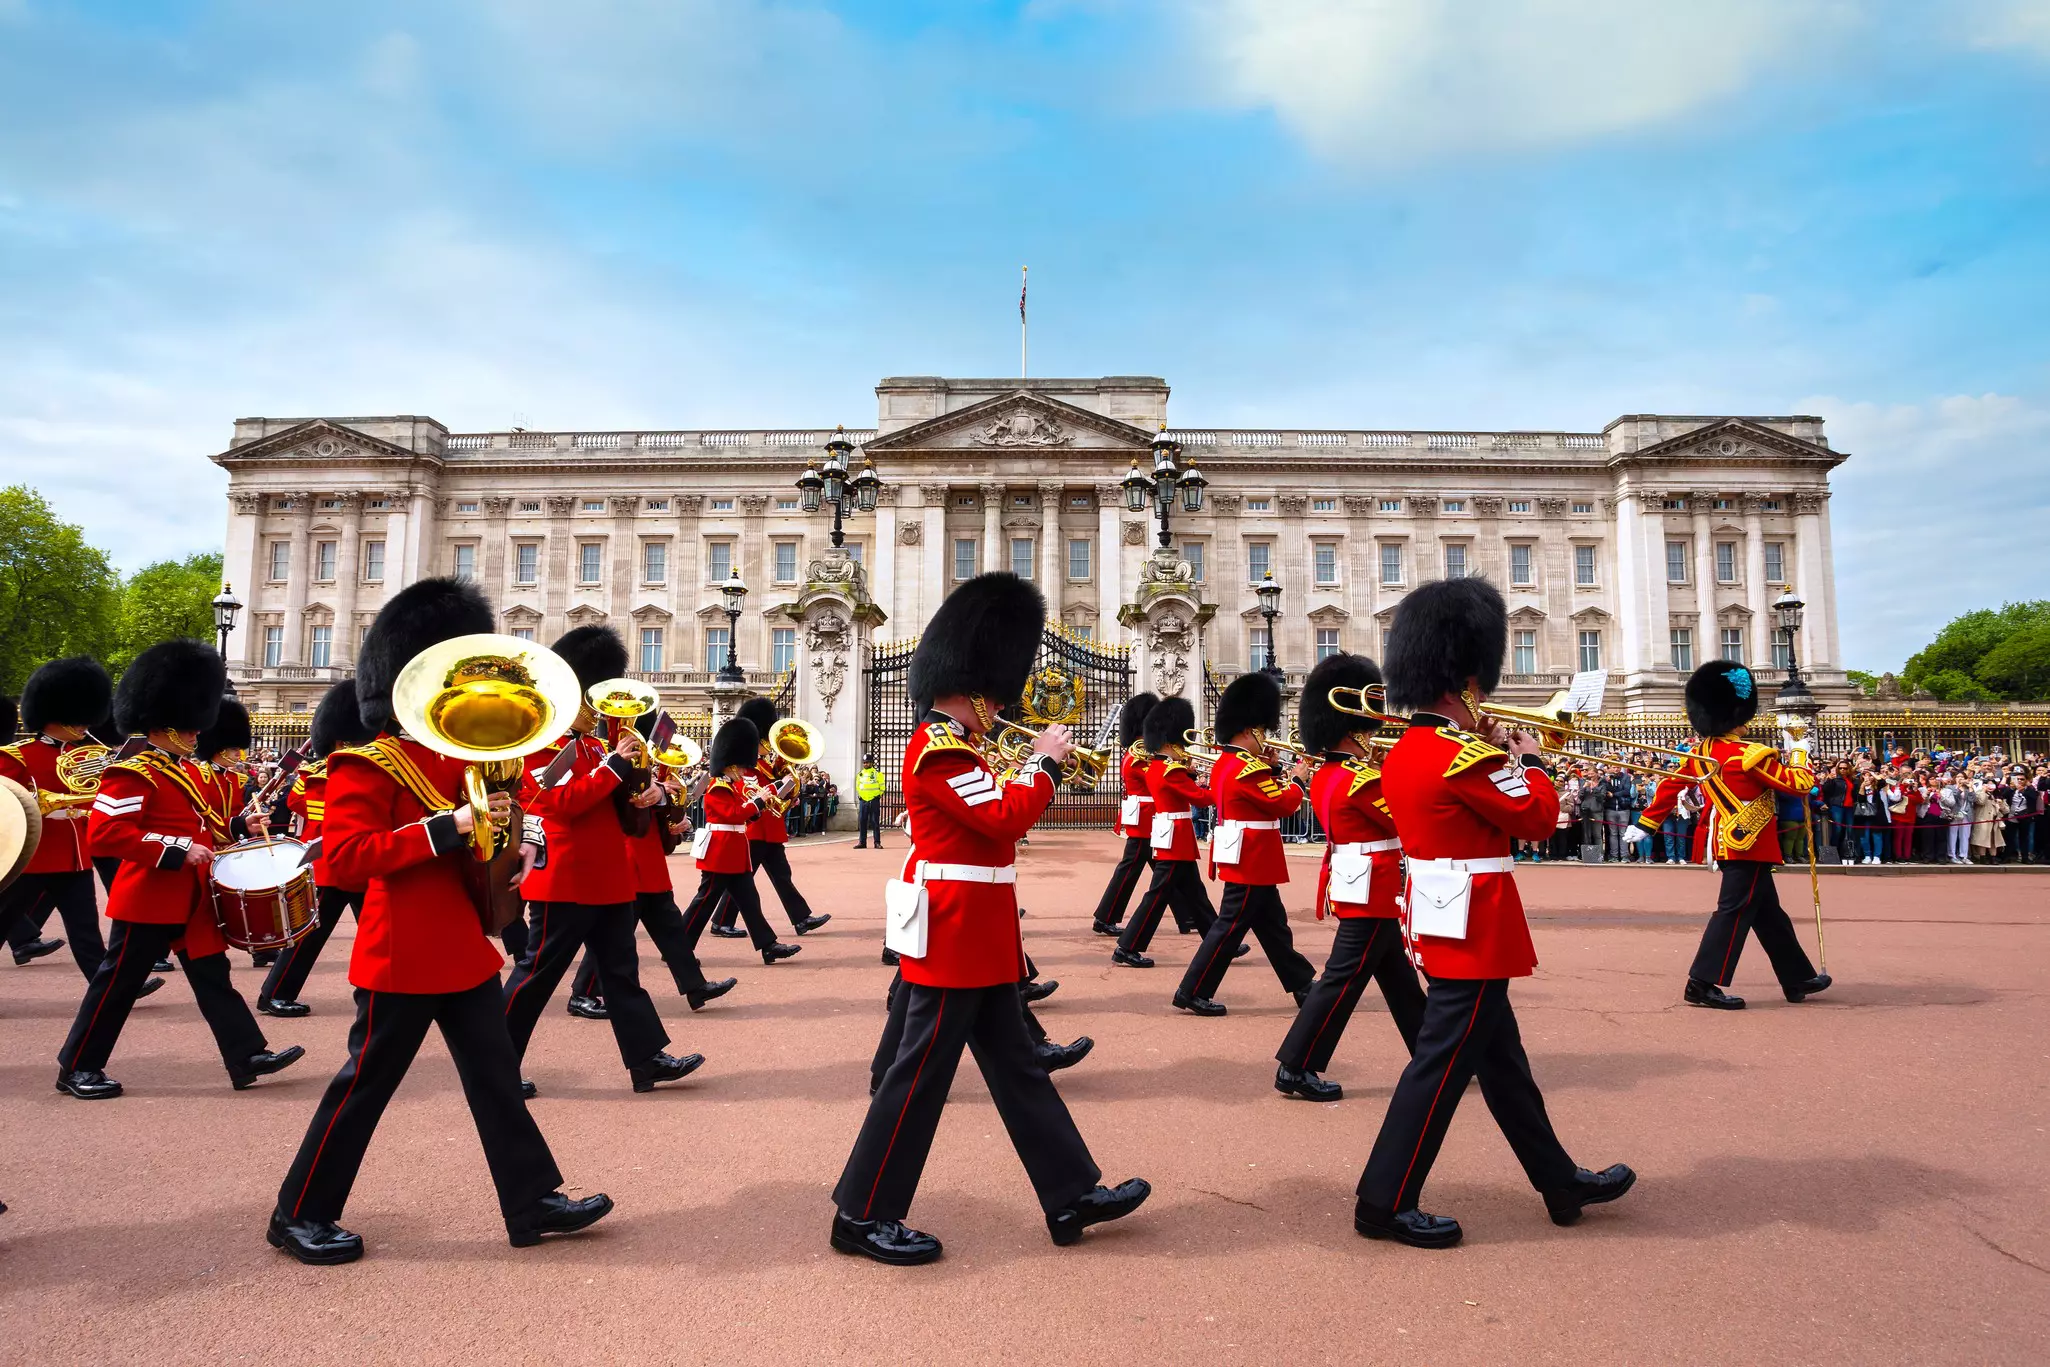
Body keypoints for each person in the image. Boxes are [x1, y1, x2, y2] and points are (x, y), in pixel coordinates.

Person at [268, 577, 613, 1264]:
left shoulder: (461, 758)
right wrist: (442, 829)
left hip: (460, 948)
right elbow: (343, 860)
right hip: (400, 955)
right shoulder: (365, 764)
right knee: (363, 1088)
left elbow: (479, 835)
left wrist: (508, 854)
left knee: (495, 1080)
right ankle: (298, 1212)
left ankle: (530, 1201)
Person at [831, 572, 1148, 1266]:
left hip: (978, 935)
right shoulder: (940, 749)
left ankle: (1070, 1192)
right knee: (917, 1079)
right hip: (954, 936)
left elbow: (992, 828)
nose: (1004, 705)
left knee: (1019, 1071)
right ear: (973, 686)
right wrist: (1043, 765)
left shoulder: (962, 748)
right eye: (998, 692)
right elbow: (1004, 819)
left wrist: (1030, 766)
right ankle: (862, 1213)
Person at [1352, 577, 1632, 1249]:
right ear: (1467, 681)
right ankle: (1382, 1199)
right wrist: (1532, 758)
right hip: (1475, 926)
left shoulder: (1408, 751)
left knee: (1503, 1064)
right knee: (1440, 1067)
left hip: (1446, 918)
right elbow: (1537, 818)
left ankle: (1559, 1180)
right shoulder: (1460, 754)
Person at [55, 639, 304, 1100]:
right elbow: (106, 836)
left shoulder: (186, 772)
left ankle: (246, 1054)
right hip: (150, 896)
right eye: (189, 728)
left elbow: (202, 827)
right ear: (163, 725)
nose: (196, 735)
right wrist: (175, 851)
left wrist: (237, 824)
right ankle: (78, 1066)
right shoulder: (131, 772)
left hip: (191, 898)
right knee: (117, 985)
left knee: (214, 977)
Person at [502, 625, 703, 1095]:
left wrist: (648, 794)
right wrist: (613, 767)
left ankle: (645, 1059)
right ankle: (496, 1062)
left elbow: (618, 801)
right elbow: (560, 804)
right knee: (535, 975)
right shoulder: (537, 746)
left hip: (610, 876)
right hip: (566, 878)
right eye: (584, 699)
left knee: (621, 972)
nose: (592, 709)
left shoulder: (594, 746)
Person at [1631, 661, 1831, 1010]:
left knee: (1769, 914)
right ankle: (1701, 983)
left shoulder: (1703, 752)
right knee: (1734, 912)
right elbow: (1800, 784)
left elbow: (1670, 786)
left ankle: (1796, 975)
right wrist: (1799, 750)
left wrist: (1647, 823)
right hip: (1749, 845)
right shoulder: (1751, 755)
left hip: (1729, 841)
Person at [1272, 653, 1423, 1103]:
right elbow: (1406, 821)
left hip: (1362, 881)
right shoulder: (1360, 778)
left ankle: (1436, 1049)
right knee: (1341, 979)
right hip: (1372, 886)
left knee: (1398, 980)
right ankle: (1296, 1065)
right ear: (1356, 725)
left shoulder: (1330, 774)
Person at [564, 708, 739, 1018]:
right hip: (627, 857)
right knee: (612, 934)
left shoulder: (643, 764)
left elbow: (645, 804)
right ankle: (583, 993)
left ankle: (694, 986)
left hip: (648, 861)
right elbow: (625, 800)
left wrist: (673, 813)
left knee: (671, 928)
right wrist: (657, 794)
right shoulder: (608, 756)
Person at [0, 657, 158, 991]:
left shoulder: (83, 754)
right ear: (55, 715)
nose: (86, 725)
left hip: (74, 853)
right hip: (32, 854)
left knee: (86, 928)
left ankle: (110, 984)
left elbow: (93, 797)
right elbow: (7, 804)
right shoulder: (16, 755)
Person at [1170, 671, 1316, 1017]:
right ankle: (1192, 990)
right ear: (1250, 729)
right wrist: (1297, 781)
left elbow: (1261, 797)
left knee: (1274, 925)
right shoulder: (1247, 768)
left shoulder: (1230, 763)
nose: (1266, 739)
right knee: (1229, 927)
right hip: (1252, 855)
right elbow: (1283, 804)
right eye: (1263, 732)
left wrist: (1275, 771)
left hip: (1250, 855)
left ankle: (1302, 984)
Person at [256, 679, 375, 1015]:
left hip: (360, 862)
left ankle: (383, 990)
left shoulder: (320, 772)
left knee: (381, 930)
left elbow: (296, 803)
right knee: (308, 936)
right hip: (331, 864)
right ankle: (274, 993)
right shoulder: (325, 773)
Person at [1112, 696, 1225, 967]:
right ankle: (1127, 946)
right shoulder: (1169, 771)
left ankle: (1218, 942)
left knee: (1196, 894)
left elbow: (1185, 791)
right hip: (1175, 839)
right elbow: (1199, 798)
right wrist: (1223, 785)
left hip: (1175, 837)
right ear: (1169, 742)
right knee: (1157, 896)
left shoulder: (1158, 768)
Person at [710, 698, 829, 938]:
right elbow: (753, 793)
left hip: (770, 830)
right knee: (740, 881)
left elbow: (777, 788)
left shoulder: (764, 764)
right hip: (755, 831)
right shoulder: (746, 768)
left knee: (782, 876)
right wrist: (777, 787)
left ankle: (801, 918)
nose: (766, 745)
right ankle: (721, 921)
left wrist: (787, 785)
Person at [1089, 692, 1158, 937]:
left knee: (1170, 871)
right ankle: (1105, 917)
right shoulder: (1139, 754)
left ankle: (1187, 916)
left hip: (1150, 818)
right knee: (1131, 869)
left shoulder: (1143, 751)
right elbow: (1157, 781)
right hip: (1145, 819)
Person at [855, 753, 886, 848]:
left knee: (875, 822)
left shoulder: (877, 774)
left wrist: (877, 796)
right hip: (863, 800)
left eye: (867, 762)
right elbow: (858, 787)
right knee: (862, 822)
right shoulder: (860, 774)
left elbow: (882, 787)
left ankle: (877, 842)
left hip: (874, 800)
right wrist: (861, 796)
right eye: (864, 762)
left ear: (871, 763)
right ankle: (862, 842)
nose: (865, 764)